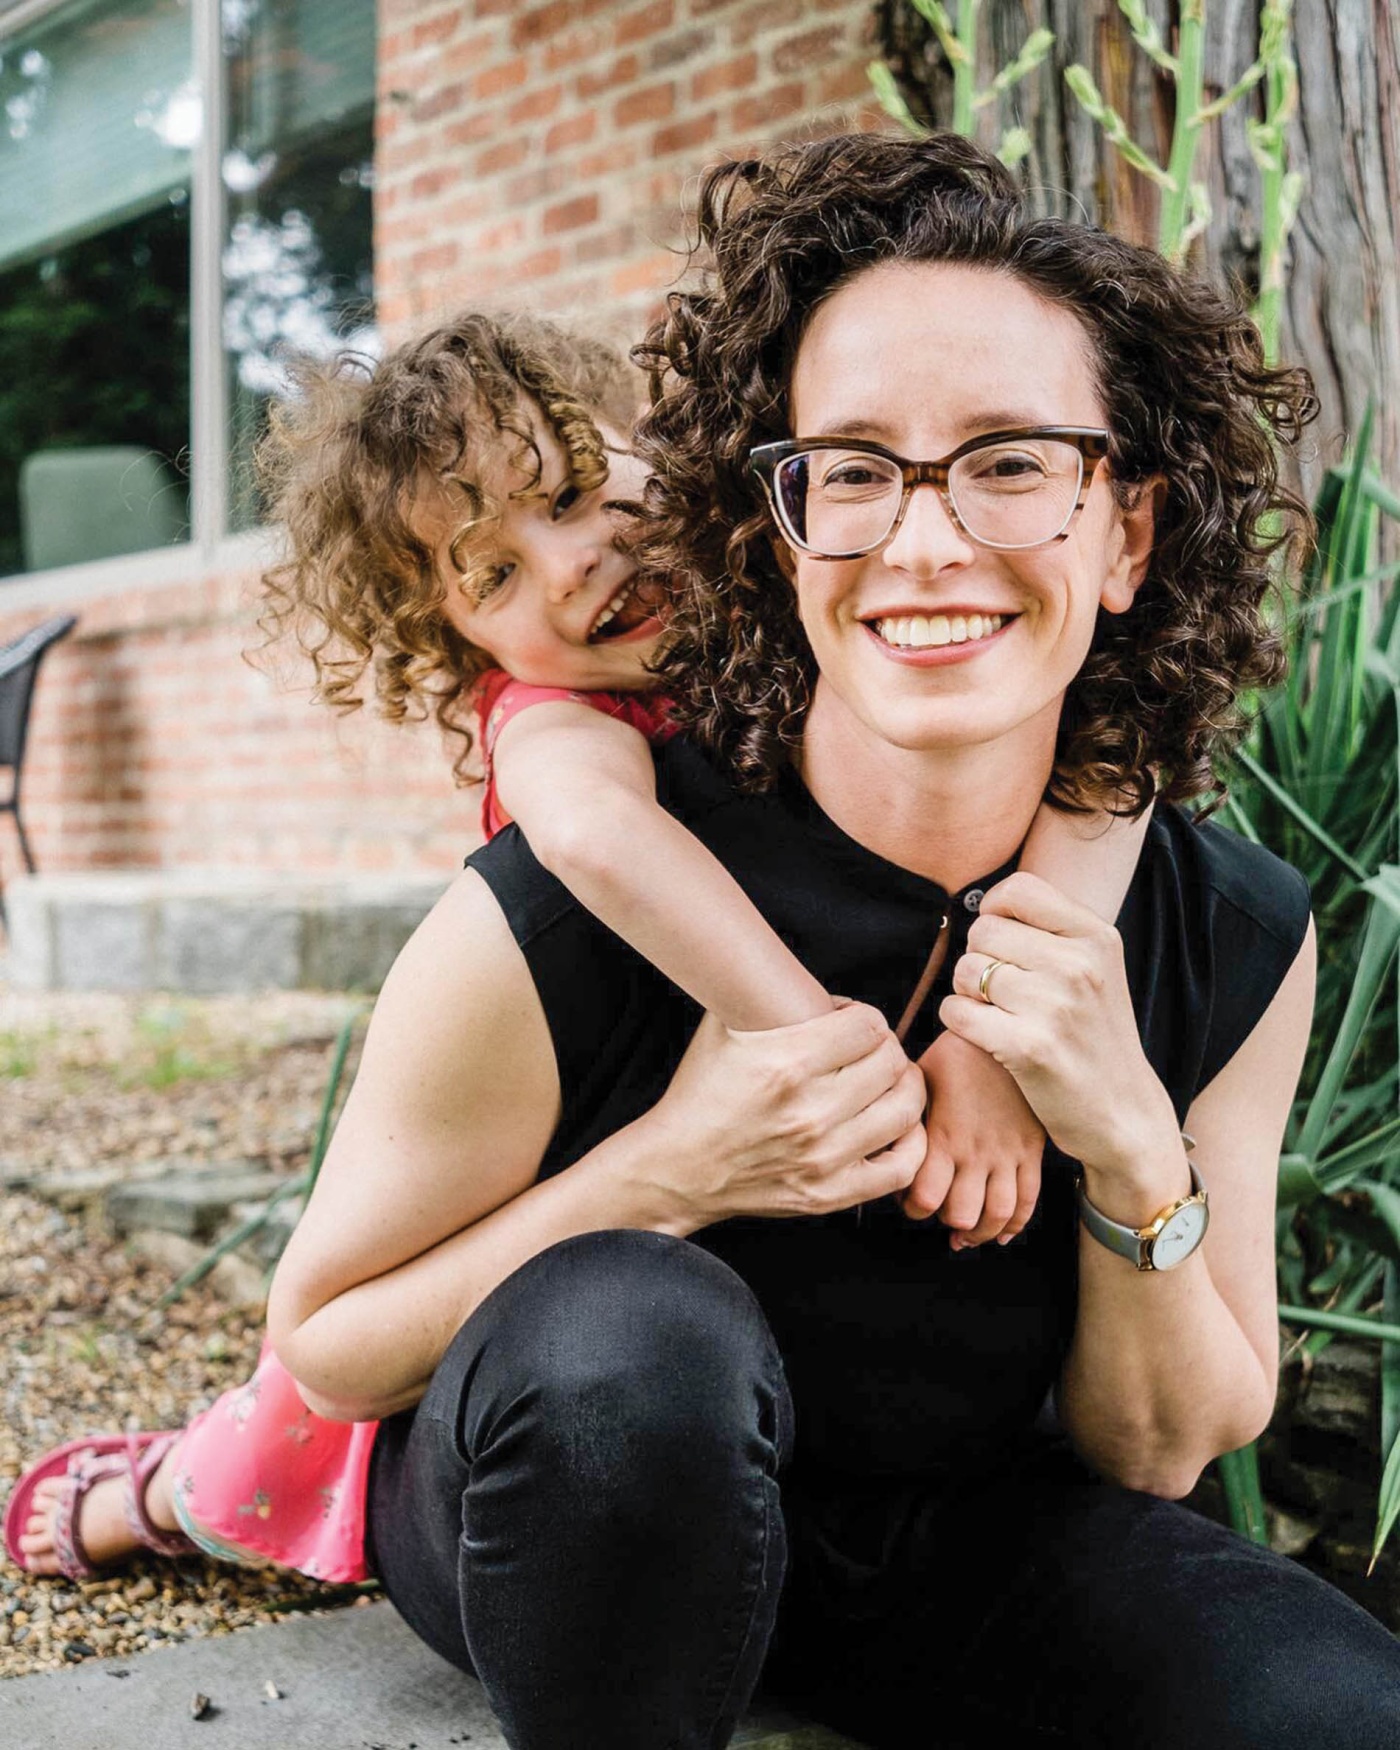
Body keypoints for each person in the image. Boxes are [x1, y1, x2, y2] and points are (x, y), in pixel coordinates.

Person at [259, 133, 1400, 1749]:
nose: (925, 540)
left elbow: (1162, 1448)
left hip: (970, 1551)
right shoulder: (572, 894)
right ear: (776, 528)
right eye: (854, 470)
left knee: (1335, 1709)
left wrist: (1129, 1139)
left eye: (1010, 461)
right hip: (574, 1510)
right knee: (634, 1348)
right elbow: (327, 1347)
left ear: (1126, 535)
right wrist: (673, 1167)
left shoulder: (1229, 929)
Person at [4, 309, 1144, 1584]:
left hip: (735, 1181)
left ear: (669, 451)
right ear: (461, 641)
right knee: (306, 1428)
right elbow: (600, 837)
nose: (563, 568)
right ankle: (156, 1499)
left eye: (577, 490)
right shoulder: (556, 722)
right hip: (550, 1129)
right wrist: (835, 1052)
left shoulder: (814, 598)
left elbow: (1116, 762)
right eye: (489, 572)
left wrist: (988, 1052)